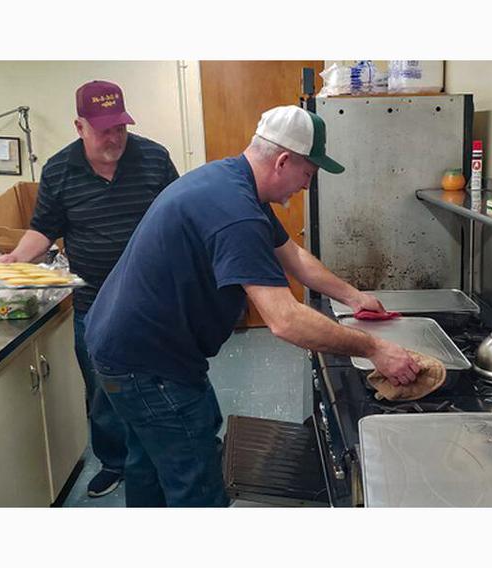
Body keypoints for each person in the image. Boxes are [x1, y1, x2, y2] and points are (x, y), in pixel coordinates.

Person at [84, 105, 420, 507]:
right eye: (308, 175)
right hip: (148, 362)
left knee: (150, 460)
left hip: (123, 345)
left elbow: (290, 254)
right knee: (196, 480)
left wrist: (353, 297)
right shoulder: (236, 212)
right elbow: (284, 320)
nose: (306, 187)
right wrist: (376, 349)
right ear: (283, 161)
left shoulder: (232, 180)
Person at [0, 80, 180, 498]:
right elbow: (44, 228)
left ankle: (158, 460)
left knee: (162, 383)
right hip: (95, 305)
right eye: (103, 130)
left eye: (120, 127)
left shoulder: (153, 158)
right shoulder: (60, 170)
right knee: (104, 392)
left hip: (154, 303)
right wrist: (16, 259)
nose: (114, 138)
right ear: (79, 126)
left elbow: (179, 215)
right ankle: (114, 462)